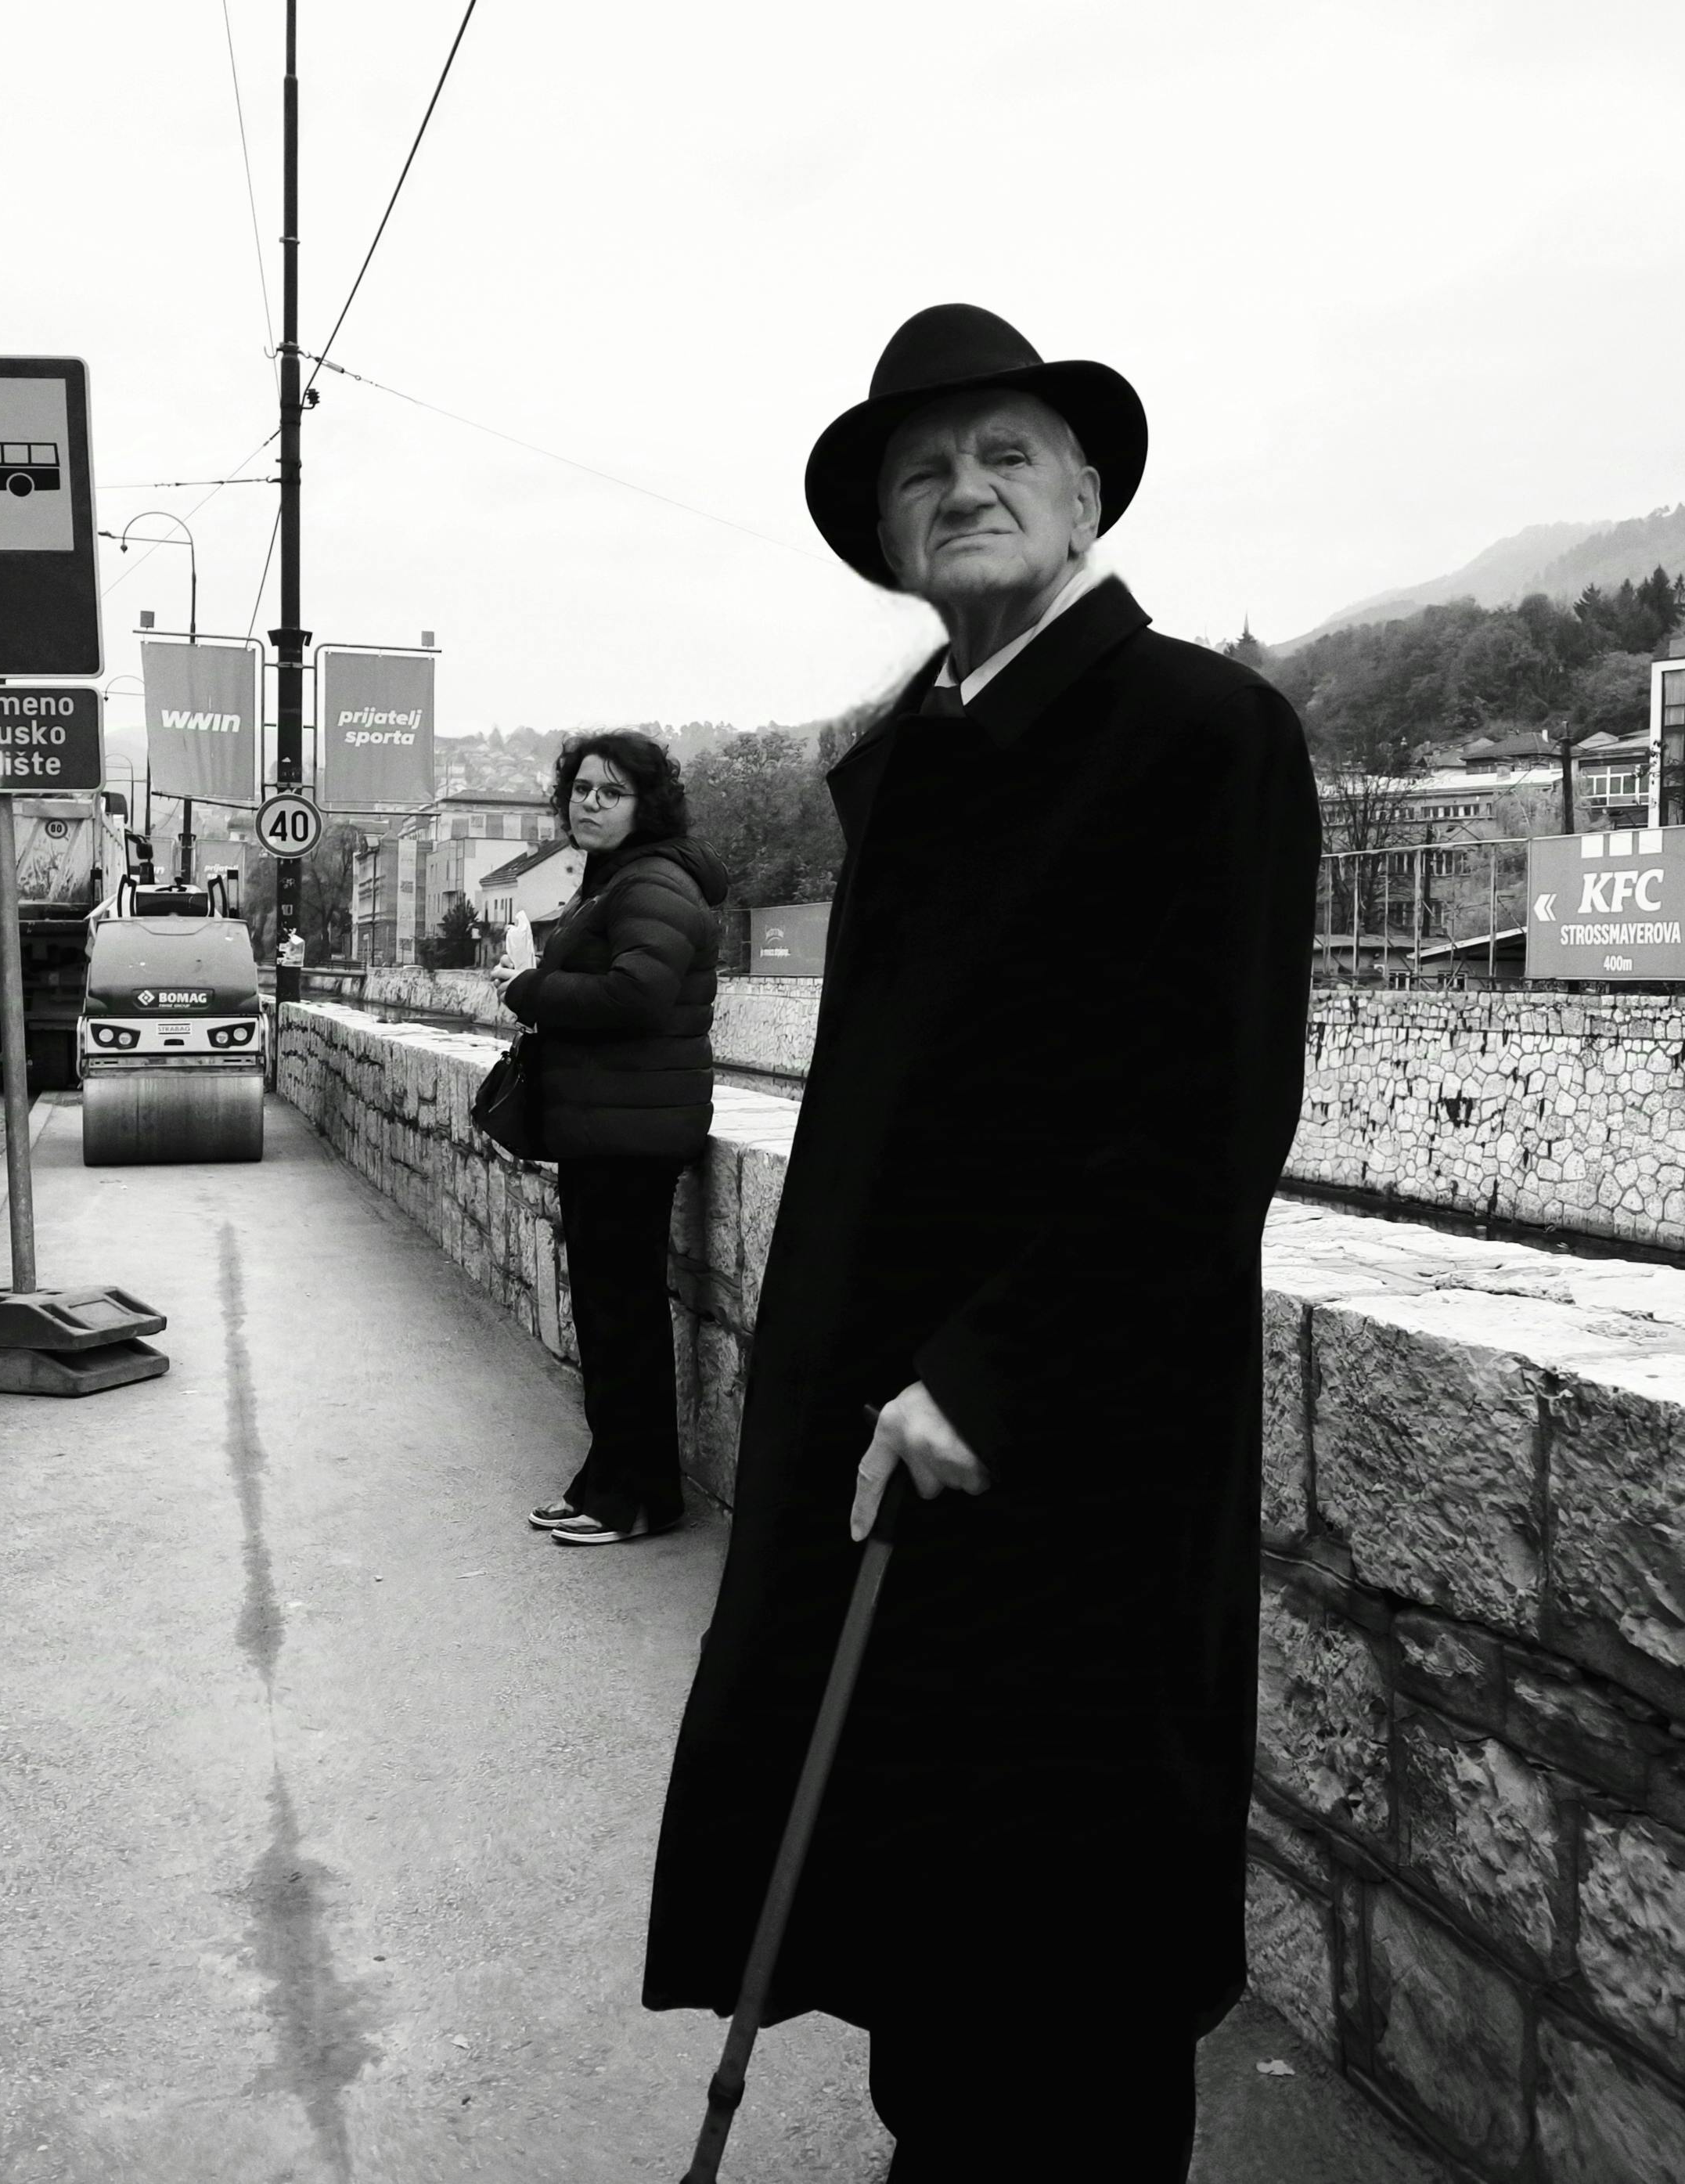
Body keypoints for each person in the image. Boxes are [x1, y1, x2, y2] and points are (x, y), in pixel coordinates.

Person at [641, 304, 1320, 2181]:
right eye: (922, 472)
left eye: (1004, 454)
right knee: (928, 1910)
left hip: (1056, 1437)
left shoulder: (1202, 731)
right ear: (883, 537)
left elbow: (1207, 1117)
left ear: (1086, 491)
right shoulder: (918, 765)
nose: (964, 490)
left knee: (1069, 1934)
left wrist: (987, 1371)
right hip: (890, 1434)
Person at [498, 732, 728, 1545]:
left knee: (622, 1318)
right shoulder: (616, 879)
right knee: (606, 1315)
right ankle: (608, 1479)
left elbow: (636, 999)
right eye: (581, 788)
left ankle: (638, 1498)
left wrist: (528, 989)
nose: (588, 802)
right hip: (609, 1127)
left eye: (611, 791)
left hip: (632, 1136)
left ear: (646, 805)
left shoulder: (654, 883)